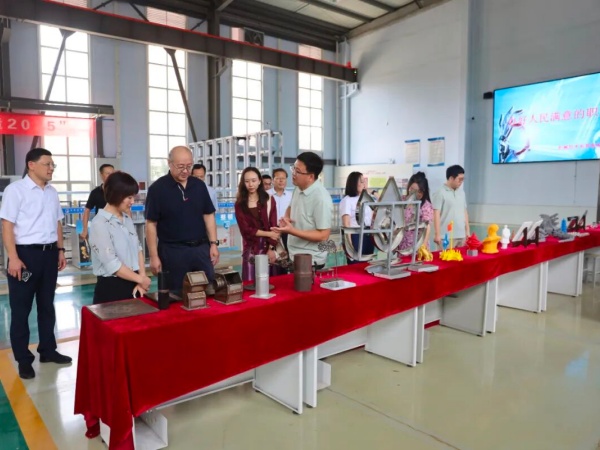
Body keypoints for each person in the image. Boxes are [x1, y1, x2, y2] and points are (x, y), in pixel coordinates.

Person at [0, 148, 71, 379]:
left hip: (49, 255)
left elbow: (58, 223)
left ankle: (48, 350)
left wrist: (60, 250)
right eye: (47, 164)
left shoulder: (51, 192)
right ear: (31, 165)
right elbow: (7, 225)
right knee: (21, 309)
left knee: (47, 305)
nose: (51, 168)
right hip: (25, 256)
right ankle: (23, 359)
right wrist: (13, 257)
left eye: (53, 165)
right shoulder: (15, 191)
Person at [145, 146, 219, 292]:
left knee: (207, 291)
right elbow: (151, 224)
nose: (185, 171)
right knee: (175, 294)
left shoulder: (199, 186)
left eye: (189, 166)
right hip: (173, 252)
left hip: (200, 250)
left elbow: (208, 215)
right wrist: (153, 256)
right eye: (180, 167)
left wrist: (213, 244)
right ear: (169, 163)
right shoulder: (157, 189)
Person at [89, 171, 151, 304]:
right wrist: (141, 279)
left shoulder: (126, 218)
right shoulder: (100, 223)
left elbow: (138, 248)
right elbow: (112, 264)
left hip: (135, 283)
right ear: (116, 195)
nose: (132, 202)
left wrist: (142, 276)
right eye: (129, 197)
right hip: (112, 288)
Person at [272, 152, 333, 268]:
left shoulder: (321, 198)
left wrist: (292, 231)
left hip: (311, 261)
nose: (293, 174)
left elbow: (323, 235)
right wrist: (286, 218)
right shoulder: (299, 188)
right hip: (295, 255)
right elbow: (290, 206)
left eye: (298, 171)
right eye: (293, 168)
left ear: (310, 176)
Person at [234, 167, 281, 281]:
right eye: (247, 181)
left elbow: (273, 225)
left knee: (270, 282)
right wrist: (268, 234)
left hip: (268, 247)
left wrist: (271, 248)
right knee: (250, 282)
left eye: (253, 180)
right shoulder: (240, 204)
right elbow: (246, 230)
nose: (250, 184)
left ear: (259, 181)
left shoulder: (269, 199)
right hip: (251, 249)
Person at [339, 171, 374, 264]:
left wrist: (372, 192)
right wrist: (349, 246)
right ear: (354, 183)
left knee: (367, 263)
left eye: (364, 181)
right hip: (355, 235)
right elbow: (346, 224)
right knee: (355, 263)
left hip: (368, 234)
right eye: (361, 181)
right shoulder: (347, 200)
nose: (364, 184)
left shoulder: (366, 199)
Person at [432, 165, 470, 249]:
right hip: (446, 237)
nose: (461, 182)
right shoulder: (440, 192)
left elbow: (464, 212)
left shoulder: (461, 192)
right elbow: (436, 214)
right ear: (451, 178)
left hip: (461, 235)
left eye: (463, 179)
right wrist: (437, 234)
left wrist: (467, 231)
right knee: (445, 257)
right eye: (459, 179)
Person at [398, 172, 434, 253]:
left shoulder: (425, 205)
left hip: (418, 245)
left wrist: (423, 246)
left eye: (419, 191)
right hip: (403, 245)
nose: (415, 194)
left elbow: (427, 227)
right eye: (412, 189)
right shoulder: (402, 200)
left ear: (424, 191)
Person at [80, 164, 115, 240]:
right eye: (108, 173)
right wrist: (85, 229)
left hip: (117, 229)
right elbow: (87, 210)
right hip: (101, 229)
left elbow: (126, 210)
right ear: (101, 175)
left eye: (112, 173)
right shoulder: (95, 192)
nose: (111, 176)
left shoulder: (120, 191)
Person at [267, 167, 292, 251]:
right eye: (278, 178)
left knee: (288, 251)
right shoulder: (266, 195)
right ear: (272, 180)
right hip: (271, 229)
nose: (281, 181)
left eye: (283, 178)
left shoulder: (291, 195)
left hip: (286, 229)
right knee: (271, 252)